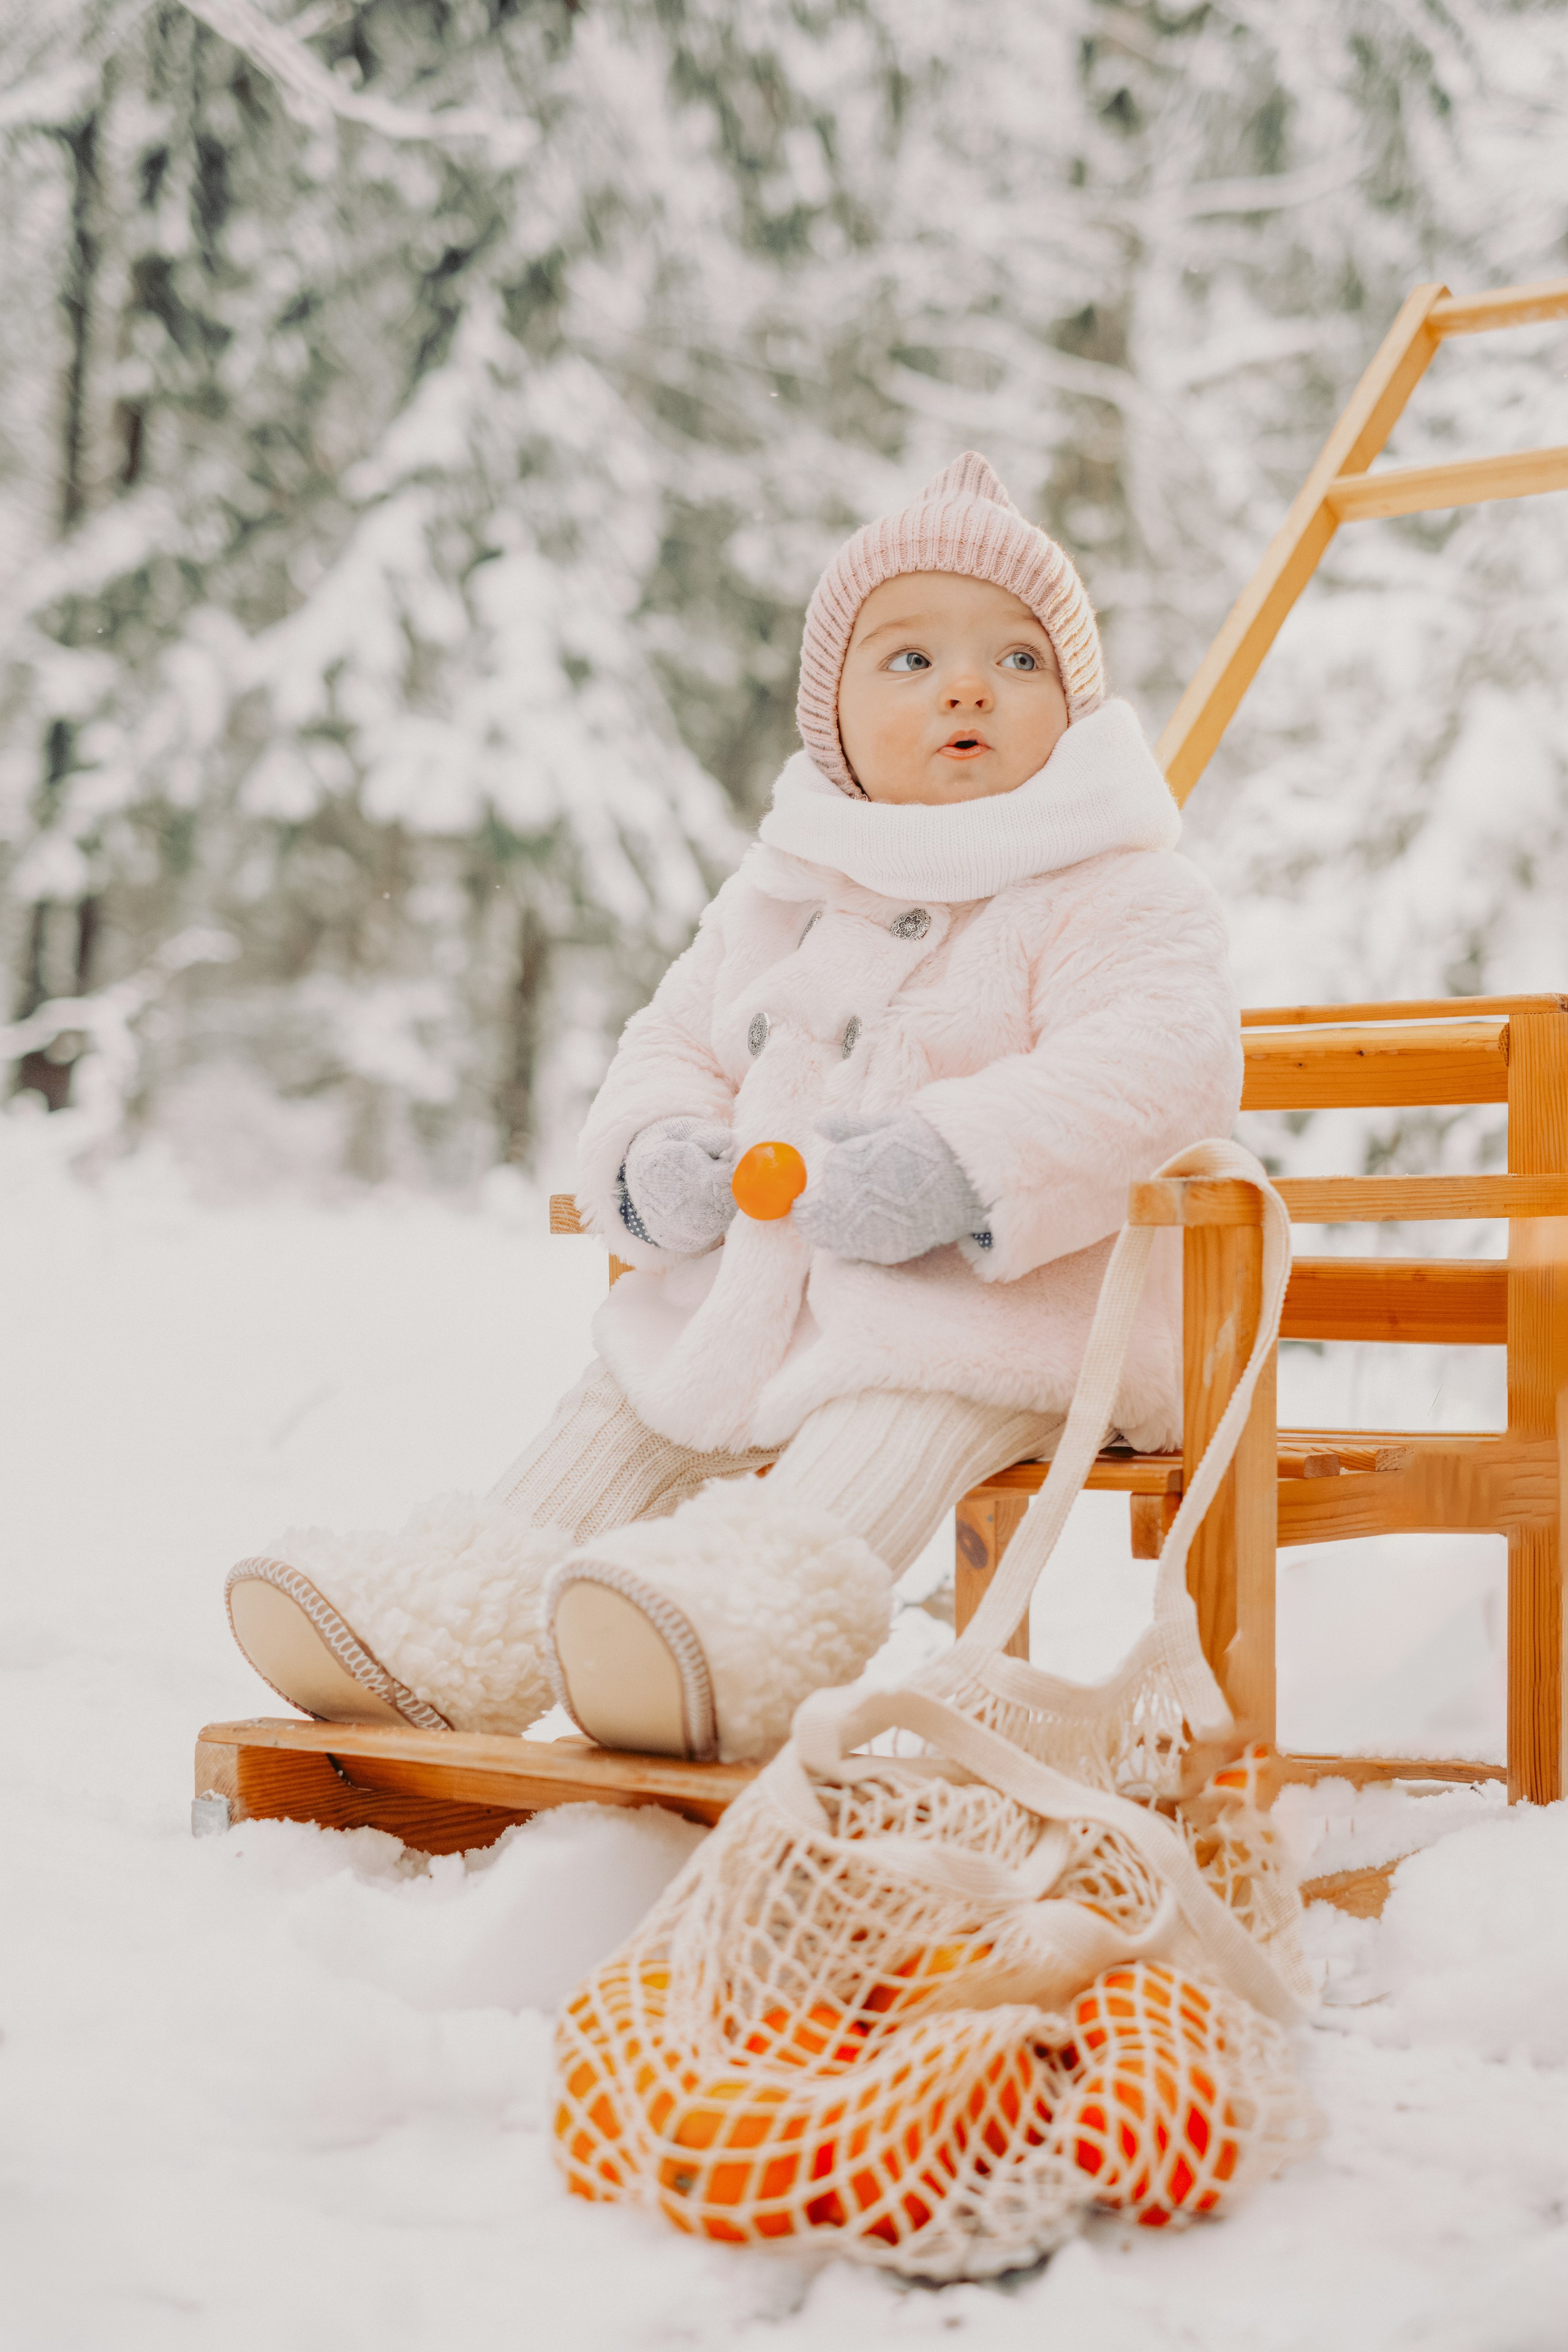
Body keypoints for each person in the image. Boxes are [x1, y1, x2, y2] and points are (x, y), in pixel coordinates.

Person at [225, 453, 1241, 1764]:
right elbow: (672, 1040)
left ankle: (727, 1635)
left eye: (1018, 659)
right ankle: (445, 1630)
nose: (966, 686)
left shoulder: (1116, 892)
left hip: (1012, 1316)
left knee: (892, 1414)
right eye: (908, 660)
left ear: (1074, 708)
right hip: (766, 1295)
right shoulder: (785, 893)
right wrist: (654, 1156)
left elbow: (1156, 1066)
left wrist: (953, 1158)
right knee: (624, 1399)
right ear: (831, 716)